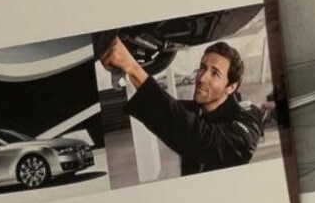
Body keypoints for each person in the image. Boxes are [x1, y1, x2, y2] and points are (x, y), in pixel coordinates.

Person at [97, 35, 265, 175]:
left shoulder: (248, 120)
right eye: (202, 67)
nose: (202, 77)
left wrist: (133, 68)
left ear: (231, 87)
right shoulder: (198, 109)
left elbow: (197, 137)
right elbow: (165, 111)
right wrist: (126, 69)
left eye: (215, 73)